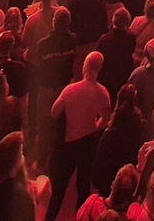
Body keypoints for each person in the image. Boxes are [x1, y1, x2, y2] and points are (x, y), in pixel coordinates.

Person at [47, 51, 111, 221]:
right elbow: (105, 119)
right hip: (88, 142)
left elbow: (54, 112)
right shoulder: (102, 92)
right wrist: (94, 125)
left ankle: (49, 218)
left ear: (85, 66)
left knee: (59, 187)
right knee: (83, 186)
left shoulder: (71, 90)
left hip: (68, 143)